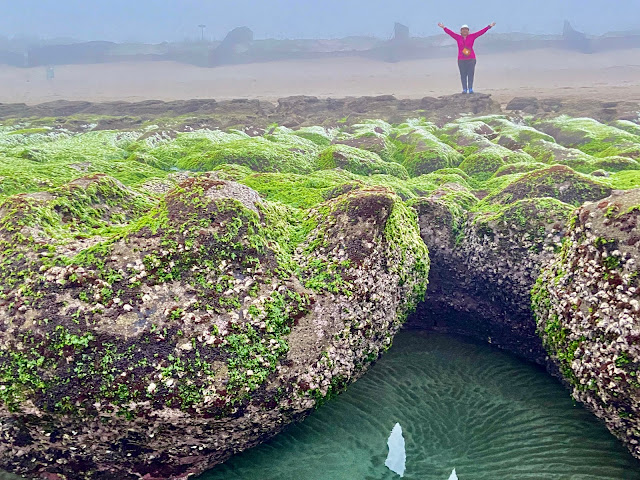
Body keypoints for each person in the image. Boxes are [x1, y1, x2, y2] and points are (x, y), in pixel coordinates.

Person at [437, 22, 496, 94]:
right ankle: (464, 89)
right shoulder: (458, 37)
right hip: (461, 59)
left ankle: (470, 88)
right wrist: (443, 27)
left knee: (470, 74)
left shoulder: (472, 36)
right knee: (463, 74)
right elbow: (450, 33)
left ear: (468, 31)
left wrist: (489, 26)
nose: (464, 31)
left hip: (471, 59)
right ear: (461, 31)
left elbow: (481, 32)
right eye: (463, 29)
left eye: (466, 29)